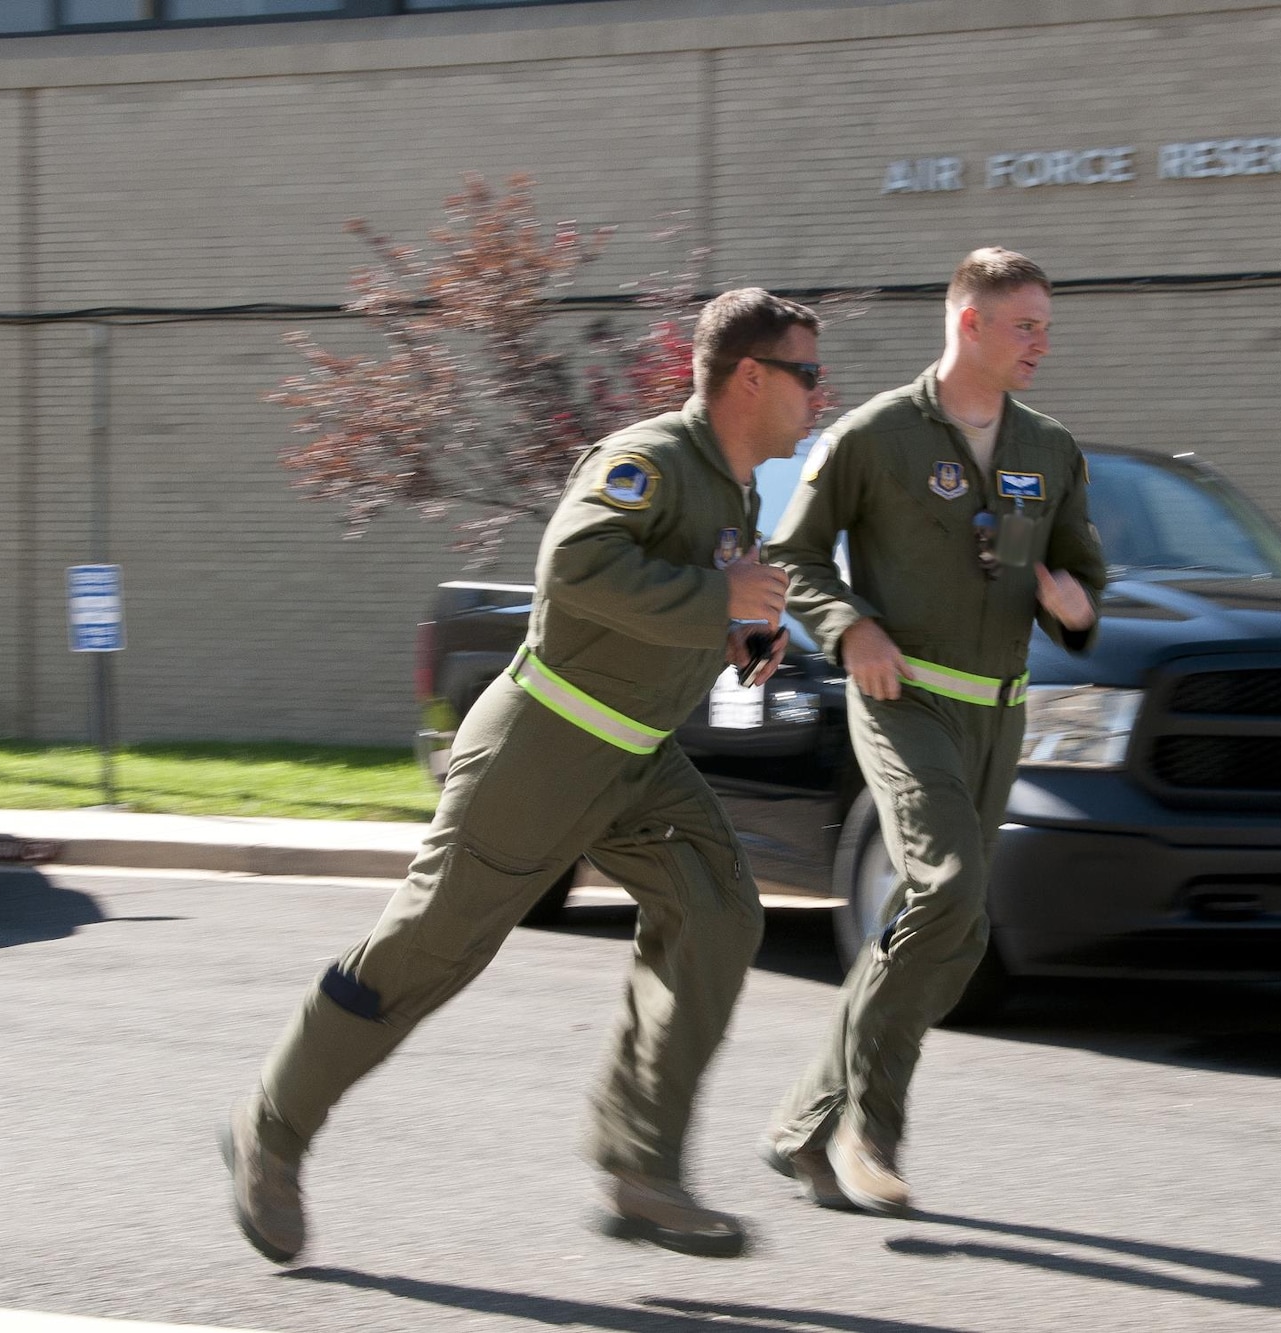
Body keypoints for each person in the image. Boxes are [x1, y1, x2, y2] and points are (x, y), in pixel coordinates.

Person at [222, 288, 828, 1260]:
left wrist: (737, 628)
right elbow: (575, 568)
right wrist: (716, 593)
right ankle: (271, 1127)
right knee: (429, 950)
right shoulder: (648, 460)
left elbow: (676, 602)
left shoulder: (736, 489)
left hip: (635, 757)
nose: (817, 392)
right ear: (749, 377)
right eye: (806, 372)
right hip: (544, 744)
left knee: (718, 911)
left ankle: (642, 1166)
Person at [760, 248, 1105, 1216]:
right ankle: (873, 1129)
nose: (1043, 341)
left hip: (1000, 710)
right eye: (1025, 324)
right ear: (968, 324)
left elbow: (1079, 577)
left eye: (1045, 323)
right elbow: (790, 556)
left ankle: (801, 1126)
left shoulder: (1049, 447)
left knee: (951, 933)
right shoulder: (873, 435)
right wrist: (850, 626)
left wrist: (1074, 605)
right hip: (903, 695)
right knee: (945, 891)